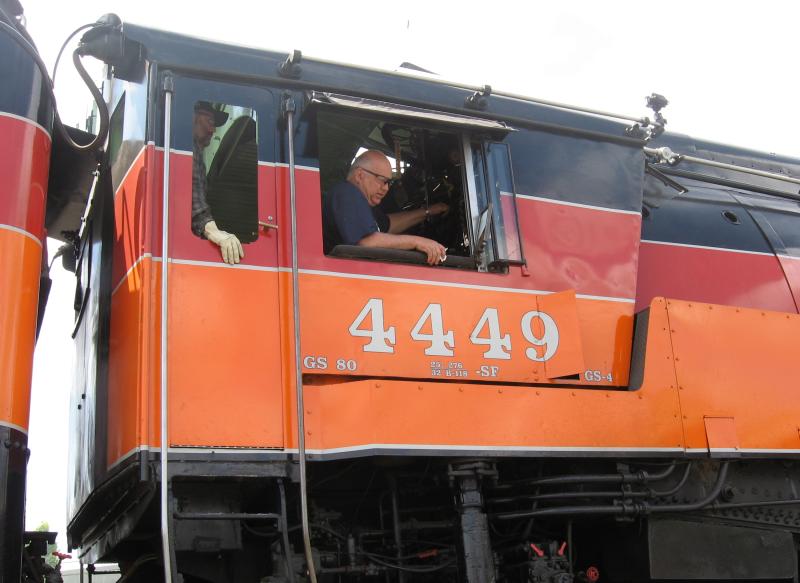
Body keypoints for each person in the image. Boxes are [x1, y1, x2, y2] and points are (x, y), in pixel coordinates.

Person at [323, 150, 449, 265]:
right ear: (359, 175)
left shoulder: (360, 203)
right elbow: (366, 242)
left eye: (389, 183)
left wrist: (429, 211)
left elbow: (387, 224)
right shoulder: (348, 193)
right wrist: (418, 242)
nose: (386, 188)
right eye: (383, 181)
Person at [191, 101, 244, 265]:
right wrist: (216, 232)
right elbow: (193, 200)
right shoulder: (189, 152)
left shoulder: (198, 154)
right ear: (192, 118)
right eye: (210, 122)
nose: (213, 130)